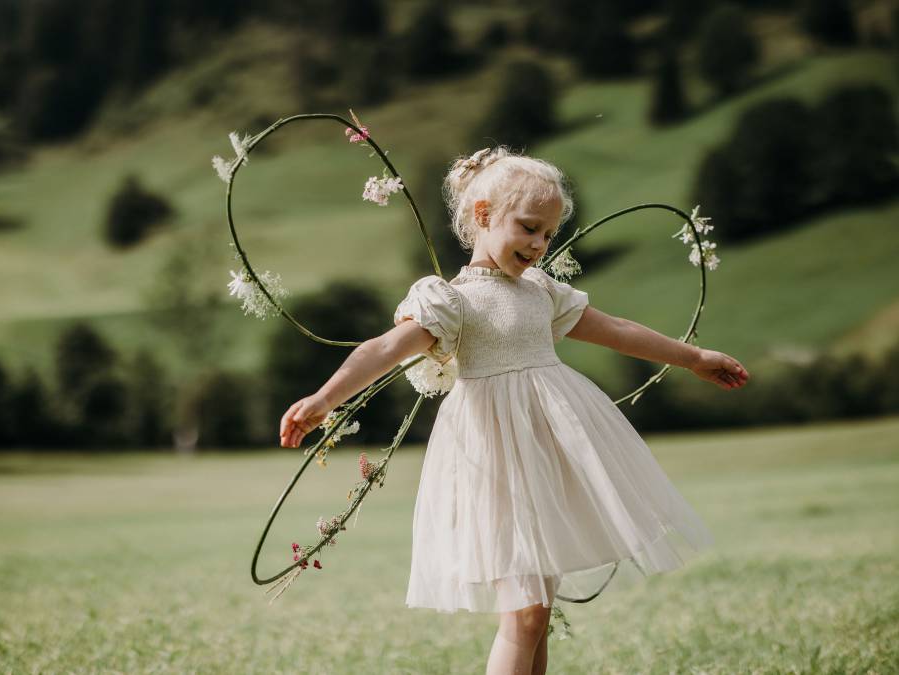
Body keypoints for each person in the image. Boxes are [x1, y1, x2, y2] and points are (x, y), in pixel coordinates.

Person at [279, 147, 750, 674]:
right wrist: (325, 398)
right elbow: (383, 349)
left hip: (547, 457)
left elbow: (616, 329)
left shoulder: (541, 292)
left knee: (537, 616)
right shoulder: (451, 300)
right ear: (483, 216)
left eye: (548, 234)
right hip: (495, 462)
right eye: (529, 228)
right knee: (524, 617)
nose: (539, 244)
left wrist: (693, 358)